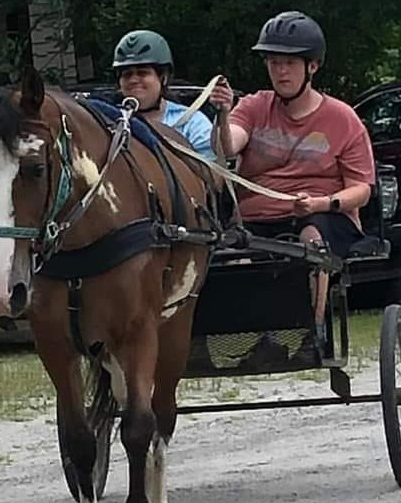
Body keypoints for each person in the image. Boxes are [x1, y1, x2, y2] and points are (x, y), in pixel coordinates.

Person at [209, 10, 376, 343]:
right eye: (273, 62)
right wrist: (223, 115)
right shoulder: (255, 106)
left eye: (289, 63)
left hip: (323, 215)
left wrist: (322, 202)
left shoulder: (342, 118)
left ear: (312, 66)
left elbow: (363, 189)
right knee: (225, 250)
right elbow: (227, 147)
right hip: (257, 217)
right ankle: (238, 335)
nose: (280, 71)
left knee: (313, 238)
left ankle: (312, 329)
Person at [112, 30, 216, 160]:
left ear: (163, 78)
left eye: (142, 73)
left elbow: (211, 174)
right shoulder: (109, 122)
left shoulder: (192, 123)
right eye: (127, 74)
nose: (133, 80)